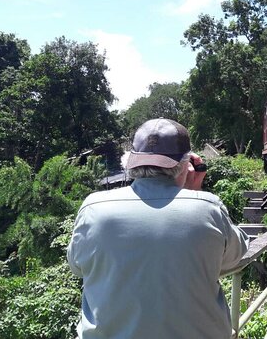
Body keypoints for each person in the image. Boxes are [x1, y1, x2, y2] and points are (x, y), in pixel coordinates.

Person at [67, 118, 249, 339]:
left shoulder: (93, 208)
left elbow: (77, 266)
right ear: (186, 164)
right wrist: (193, 193)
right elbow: (234, 256)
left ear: (132, 163)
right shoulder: (208, 207)